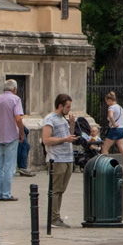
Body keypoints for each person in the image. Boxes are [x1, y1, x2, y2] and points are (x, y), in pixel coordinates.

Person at [41, 94, 78, 228]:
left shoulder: (63, 119)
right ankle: (53, 217)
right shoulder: (50, 119)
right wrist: (64, 139)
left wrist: (72, 125)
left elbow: (69, 136)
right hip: (56, 159)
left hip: (67, 157)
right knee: (56, 190)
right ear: (60, 106)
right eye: (67, 106)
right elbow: (46, 140)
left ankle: (56, 216)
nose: (69, 109)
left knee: (61, 189)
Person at [0, 80, 25, 201]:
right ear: (14, 89)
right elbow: (18, 118)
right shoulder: (16, 99)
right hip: (11, 136)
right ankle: (6, 193)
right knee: (9, 166)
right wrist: (21, 132)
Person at [100, 90, 123, 174]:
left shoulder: (111, 107)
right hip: (121, 129)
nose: (106, 103)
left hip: (114, 130)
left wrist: (114, 124)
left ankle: (106, 167)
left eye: (106, 101)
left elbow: (111, 116)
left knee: (105, 148)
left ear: (109, 100)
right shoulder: (120, 107)